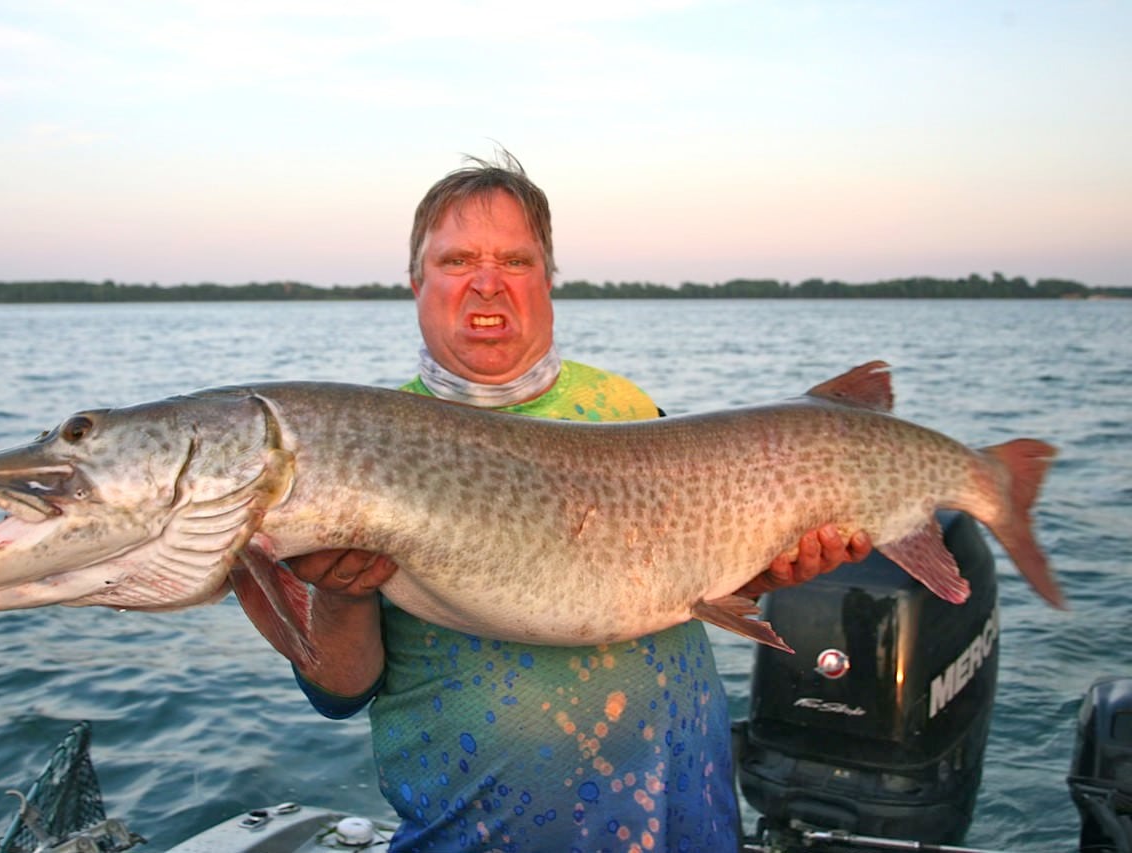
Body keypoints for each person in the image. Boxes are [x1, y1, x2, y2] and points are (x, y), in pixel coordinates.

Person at [240, 152, 870, 852]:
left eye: (515, 260)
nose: (486, 283)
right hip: (476, 834)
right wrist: (342, 593)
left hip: (684, 819)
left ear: (547, 279)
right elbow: (339, 691)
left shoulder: (628, 407)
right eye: (456, 261)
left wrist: (775, 564)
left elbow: (696, 575)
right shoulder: (355, 441)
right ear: (416, 281)